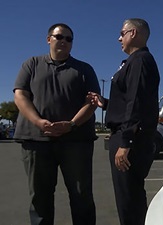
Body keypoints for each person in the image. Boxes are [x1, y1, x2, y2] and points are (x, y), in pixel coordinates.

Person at [13, 23, 100, 225]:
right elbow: (20, 95)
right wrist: (39, 122)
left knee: (82, 196)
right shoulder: (31, 64)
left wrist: (72, 124)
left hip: (76, 141)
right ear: (48, 39)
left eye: (69, 39)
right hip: (36, 141)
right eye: (60, 36)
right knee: (40, 197)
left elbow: (92, 102)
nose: (64, 41)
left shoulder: (84, 69)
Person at [88, 18, 160, 225]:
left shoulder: (140, 60)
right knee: (130, 197)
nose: (119, 38)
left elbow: (136, 102)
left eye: (122, 33)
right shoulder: (134, 62)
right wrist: (106, 103)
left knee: (129, 199)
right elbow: (128, 101)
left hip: (131, 140)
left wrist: (125, 142)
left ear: (133, 33)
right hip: (127, 136)